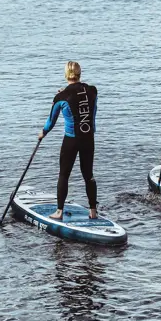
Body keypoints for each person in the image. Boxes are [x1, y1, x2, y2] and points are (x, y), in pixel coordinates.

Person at [38, 61, 98, 220]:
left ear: (66, 75)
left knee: (64, 174)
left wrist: (43, 133)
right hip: (88, 138)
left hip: (71, 140)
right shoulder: (92, 91)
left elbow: (51, 121)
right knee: (88, 175)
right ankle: (93, 211)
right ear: (80, 73)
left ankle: (59, 212)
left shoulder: (60, 97)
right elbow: (92, 114)